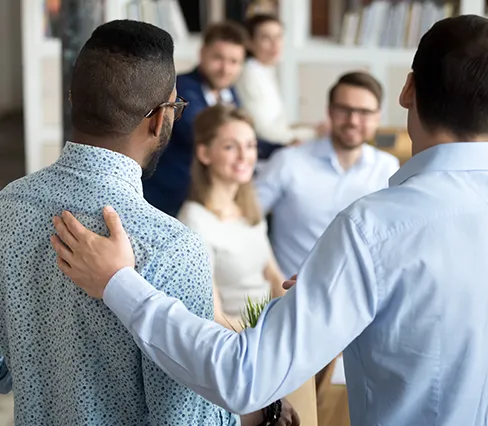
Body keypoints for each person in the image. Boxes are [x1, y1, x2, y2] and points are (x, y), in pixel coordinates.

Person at [51, 15, 488, 425]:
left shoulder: (375, 228)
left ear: (407, 89)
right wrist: (357, 310)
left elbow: (243, 377)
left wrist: (119, 282)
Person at [0, 20, 296, 425]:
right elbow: (187, 420)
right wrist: (266, 411)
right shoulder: (171, 246)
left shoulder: (9, 205)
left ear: (73, 99)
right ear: (159, 120)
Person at [255, 71, 399, 278]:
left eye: (364, 112)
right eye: (345, 110)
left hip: (364, 298)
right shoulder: (288, 161)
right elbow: (245, 220)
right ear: (330, 111)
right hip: (292, 295)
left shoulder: (388, 169)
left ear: (378, 117)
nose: (353, 120)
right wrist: (272, 277)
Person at [143, 21, 280, 218]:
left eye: (234, 62)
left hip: (206, 200)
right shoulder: (180, 89)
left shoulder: (229, 93)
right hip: (169, 202)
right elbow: (212, 135)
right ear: (202, 53)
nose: (225, 69)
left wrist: (283, 147)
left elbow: (238, 134)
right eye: (218, 58)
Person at [177, 104, 285, 330]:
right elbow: (214, 317)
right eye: (230, 147)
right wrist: (270, 336)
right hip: (239, 343)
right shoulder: (195, 222)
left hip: (270, 329)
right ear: (204, 153)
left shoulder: (249, 208)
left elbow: (274, 277)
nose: (244, 156)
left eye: (250, 145)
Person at [236, 14, 327, 146]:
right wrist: (314, 133)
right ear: (249, 42)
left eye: (278, 37)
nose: (275, 44)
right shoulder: (250, 74)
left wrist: (313, 130)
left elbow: (279, 125)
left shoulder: (265, 69)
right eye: (266, 38)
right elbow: (264, 132)